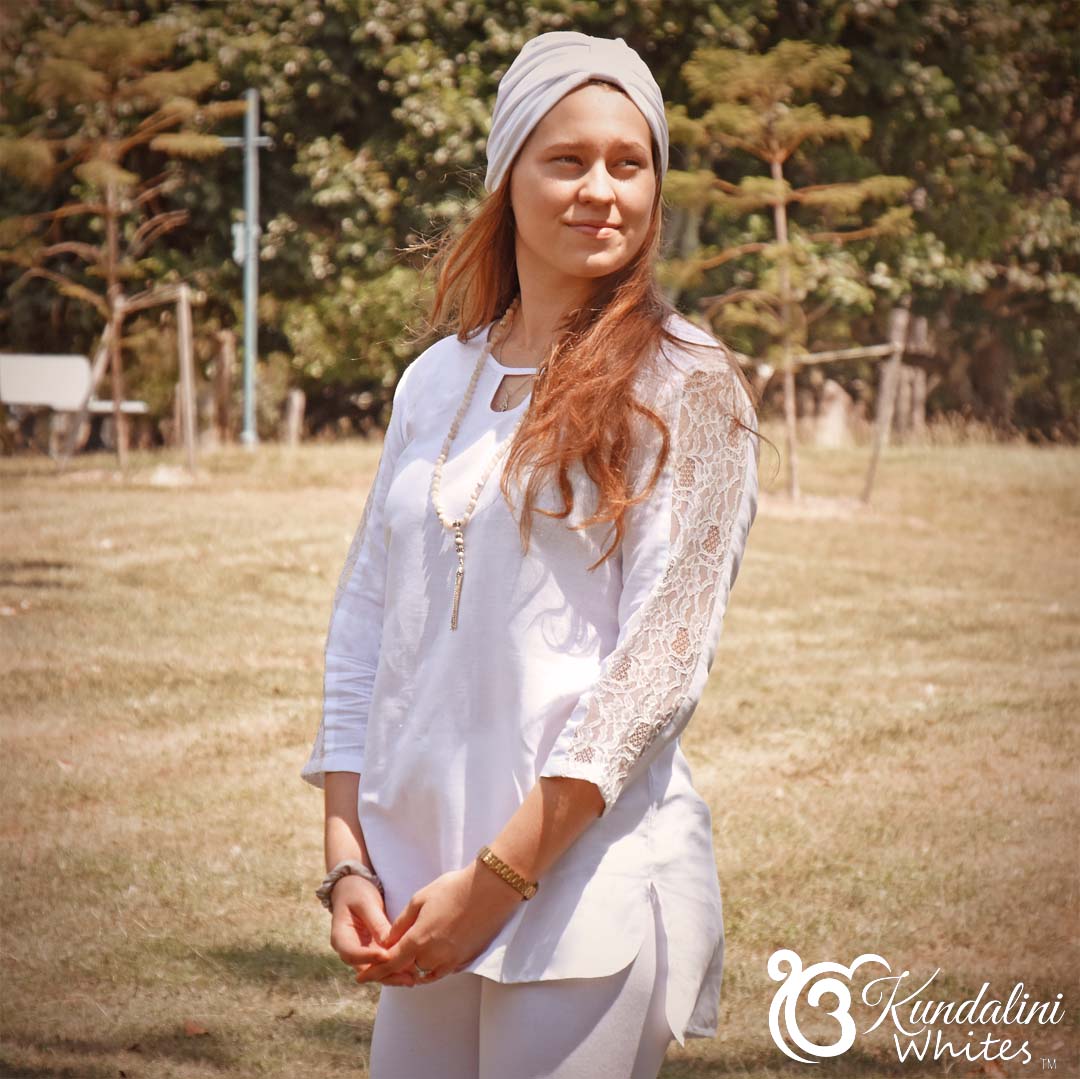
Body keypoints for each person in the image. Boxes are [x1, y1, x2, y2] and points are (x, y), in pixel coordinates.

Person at [301, 29, 763, 1079]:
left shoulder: (686, 383)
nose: (602, 188)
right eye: (567, 159)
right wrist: (347, 859)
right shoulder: (433, 381)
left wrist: (500, 879)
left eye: (629, 161)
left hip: (580, 888)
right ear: (509, 174)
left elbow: (655, 671)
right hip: (420, 886)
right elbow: (366, 621)